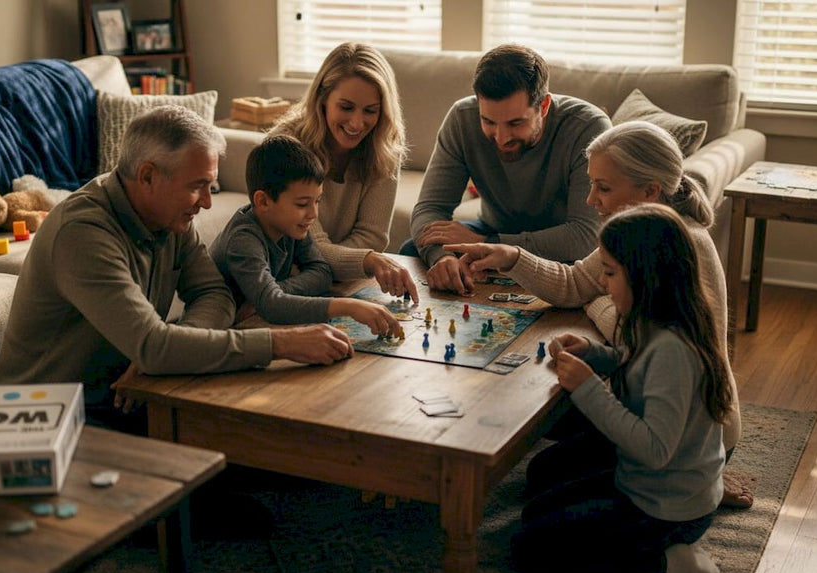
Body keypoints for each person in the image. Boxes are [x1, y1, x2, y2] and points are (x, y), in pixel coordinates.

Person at [0, 105, 355, 433]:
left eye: (210, 186)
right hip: (45, 419)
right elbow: (154, 344)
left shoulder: (169, 216)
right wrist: (281, 343)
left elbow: (213, 293)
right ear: (148, 176)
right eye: (198, 186)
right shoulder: (82, 233)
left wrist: (169, 355)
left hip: (132, 393)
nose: (209, 203)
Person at [446, 120, 751, 508]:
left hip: (692, 439)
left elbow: (639, 340)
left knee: (554, 456)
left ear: (650, 191)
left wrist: (594, 301)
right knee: (541, 471)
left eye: (603, 187)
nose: (591, 200)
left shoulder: (682, 246)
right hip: (644, 401)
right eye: (592, 184)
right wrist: (513, 258)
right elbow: (575, 282)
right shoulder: (634, 231)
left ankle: (702, 485)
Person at [510, 203, 733, 573]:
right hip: (644, 482)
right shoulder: (653, 320)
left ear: (647, 277)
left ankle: (671, 564)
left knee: (527, 550)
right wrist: (595, 355)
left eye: (610, 273)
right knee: (536, 502)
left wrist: (587, 387)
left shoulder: (673, 349)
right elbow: (635, 365)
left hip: (668, 508)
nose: (601, 283)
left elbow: (654, 450)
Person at [400, 43, 609, 296]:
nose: (501, 137)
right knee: (413, 250)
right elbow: (429, 209)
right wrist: (441, 259)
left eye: (515, 123)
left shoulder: (588, 128)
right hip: (492, 231)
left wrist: (489, 246)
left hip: (558, 249)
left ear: (543, 106)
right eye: (488, 121)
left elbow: (584, 236)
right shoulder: (461, 118)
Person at [270, 42, 419, 303]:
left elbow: (372, 236)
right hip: (283, 279)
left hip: (332, 280)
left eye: (370, 111)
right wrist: (365, 260)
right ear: (323, 99)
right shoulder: (285, 146)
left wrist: (332, 265)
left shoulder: (384, 146)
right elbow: (306, 245)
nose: (357, 123)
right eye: (346, 107)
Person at [210, 134, 401, 335]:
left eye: (317, 201)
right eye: (302, 204)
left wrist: (274, 291)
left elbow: (321, 273)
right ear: (263, 202)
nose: (313, 214)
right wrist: (349, 306)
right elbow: (273, 306)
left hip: (258, 318)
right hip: (226, 325)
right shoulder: (243, 239)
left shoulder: (289, 224)